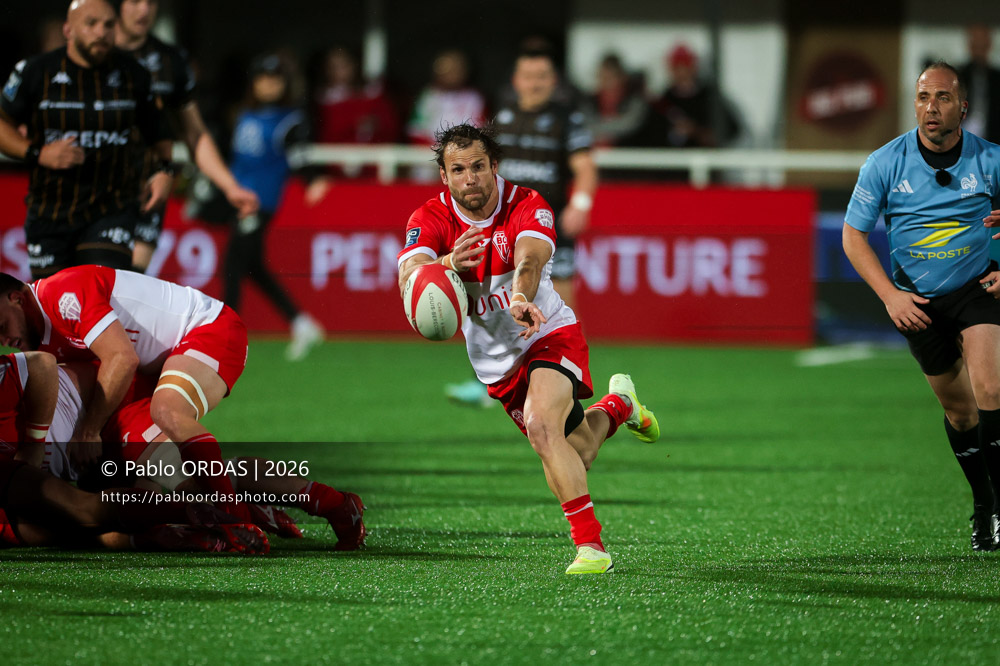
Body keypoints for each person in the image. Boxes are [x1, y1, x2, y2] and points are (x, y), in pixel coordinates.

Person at [397, 123, 660, 574]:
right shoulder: (429, 219)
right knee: (581, 449)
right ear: (444, 175)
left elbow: (529, 259)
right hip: (496, 366)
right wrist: (444, 263)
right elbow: (410, 276)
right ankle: (620, 405)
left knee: (542, 429)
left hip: (545, 333)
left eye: (479, 166)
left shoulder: (528, 204)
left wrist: (519, 296)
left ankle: (591, 548)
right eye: (457, 169)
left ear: (494, 166)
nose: (470, 178)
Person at [843, 61, 1000, 551]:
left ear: (963, 108)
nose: (932, 108)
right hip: (917, 300)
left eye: (943, 98)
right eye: (923, 97)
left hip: (977, 288)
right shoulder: (884, 163)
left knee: (991, 386)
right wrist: (890, 296)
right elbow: (853, 236)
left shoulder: (991, 159)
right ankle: (984, 504)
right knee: (960, 413)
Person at [0, 265, 251, 521]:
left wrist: (88, 432)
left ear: (17, 298)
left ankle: (233, 512)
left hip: (207, 327)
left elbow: (122, 359)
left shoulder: (63, 295)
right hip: (151, 374)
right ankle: (262, 506)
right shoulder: (40, 333)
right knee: (152, 483)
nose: (3, 340)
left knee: (168, 412)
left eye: (1, 325)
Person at [445, 48, 598, 409]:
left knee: (560, 303)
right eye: (528, 76)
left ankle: (569, 379)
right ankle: (486, 382)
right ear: (516, 81)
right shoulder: (502, 119)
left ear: (553, 81)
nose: (535, 83)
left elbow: (585, 167)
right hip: (504, 225)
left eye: (542, 76)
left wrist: (581, 204)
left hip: (548, 225)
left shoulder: (567, 118)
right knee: (490, 301)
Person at [0, 351, 267, 553]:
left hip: (107, 416)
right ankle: (166, 532)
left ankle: (230, 509)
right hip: (85, 464)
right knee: (53, 525)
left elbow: (41, 364)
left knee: (186, 482)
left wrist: (35, 444)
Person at [0, 0, 174, 280]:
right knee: (55, 311)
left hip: (112, 209)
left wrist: (164, 171)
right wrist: (38, 153)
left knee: (103, 291)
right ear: (68, 30)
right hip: (50, 213)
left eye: (108, 25)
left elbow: (160, 133)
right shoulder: (35, 72)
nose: (101, 32)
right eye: (91, 23)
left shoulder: (134, 74)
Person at [114, 0, 259, 273]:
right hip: (89, 190)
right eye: (134, 1)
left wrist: (230, 186)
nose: (144, 10)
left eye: (151, 2)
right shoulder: (91, 53)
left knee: (128, 283)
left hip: (146, 188)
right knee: (76, 292)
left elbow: (194, 133)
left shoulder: (171, 60)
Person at [224, 53, 324, 362]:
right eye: (263, 78)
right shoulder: (244, 114)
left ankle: (227, 336)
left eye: (275, 79)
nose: (269, 85)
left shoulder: (290, 120)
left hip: (260, 201)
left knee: (232, 265)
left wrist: (312, 179)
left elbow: (299, 155)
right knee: (254, 267)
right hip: (238, 197)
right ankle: (301, 322)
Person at [652, 44, 740, 149]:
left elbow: (731, 131)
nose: (681, 72)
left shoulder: (709, 98)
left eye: (685, 66)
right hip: (674, 161)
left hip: (706, 161)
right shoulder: (663, 100)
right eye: (677, 68)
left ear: (693, 68)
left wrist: (695, 131)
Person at [580, 53, 649, 148]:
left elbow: (629, 125)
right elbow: (584, 125)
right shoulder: (589, 101)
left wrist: (600, 130)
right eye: (602, 77)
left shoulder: (634, 101)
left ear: (622, 78)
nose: (605, 83)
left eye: (610, 78)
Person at [959, 23, 1000, 145]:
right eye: (975, 44)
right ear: (969, 45)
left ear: (989, 45)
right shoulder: (958, 76)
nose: (979, 50)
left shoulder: (997, 78)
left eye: (982, 45)